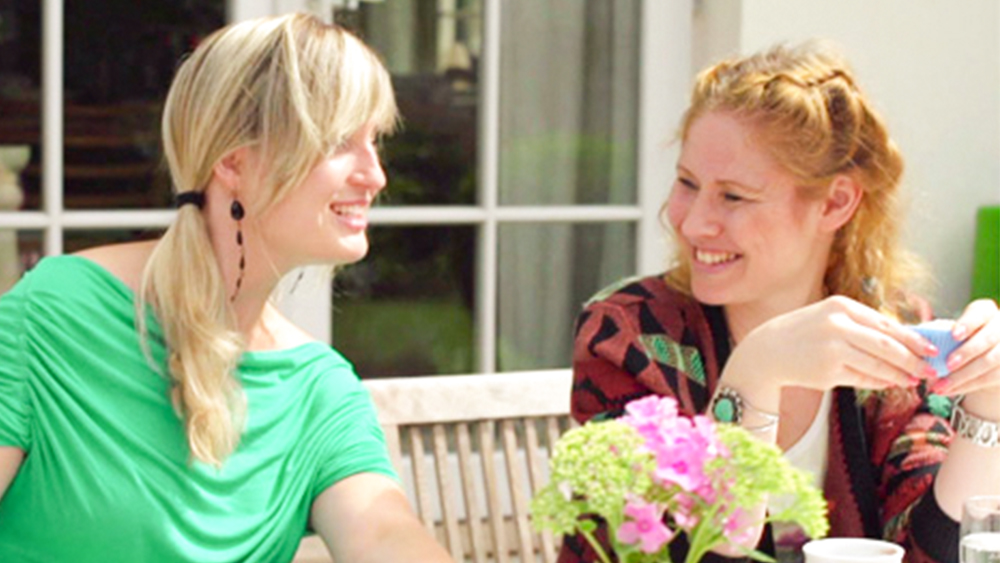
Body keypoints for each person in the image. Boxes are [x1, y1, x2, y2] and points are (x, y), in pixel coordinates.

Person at [0, 13, 453, 563]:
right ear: (235, 163)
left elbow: (383, 534)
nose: (375, 174)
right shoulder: (55, 315)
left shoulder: (319, 391)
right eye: (339, 140)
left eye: (374, 139)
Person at [560, 41, 1000, 563]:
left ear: (835, 202)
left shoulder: (898, 332)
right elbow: (660, 553)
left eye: (734, 196)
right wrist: (753, 377)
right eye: (687, 183)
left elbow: (930, 553)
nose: (693, 221)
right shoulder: (630, 336)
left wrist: (989, 399)